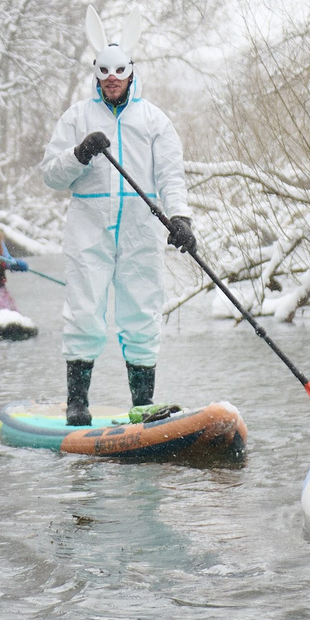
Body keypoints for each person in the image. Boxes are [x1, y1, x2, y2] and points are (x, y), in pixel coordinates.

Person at [40, 29, 190, 424]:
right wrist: (79, 154)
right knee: (84, 311)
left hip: (141, 228)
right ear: (96, 74)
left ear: (130, 73)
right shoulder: (76, 117)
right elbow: (52, 176)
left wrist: (180, 218)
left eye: (119, 71)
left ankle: (142, 404)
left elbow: (172, 175)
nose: (111, 78)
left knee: (141, 311)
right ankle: (77, 403)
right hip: (89, 228)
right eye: (104, 71)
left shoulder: (155, 120)